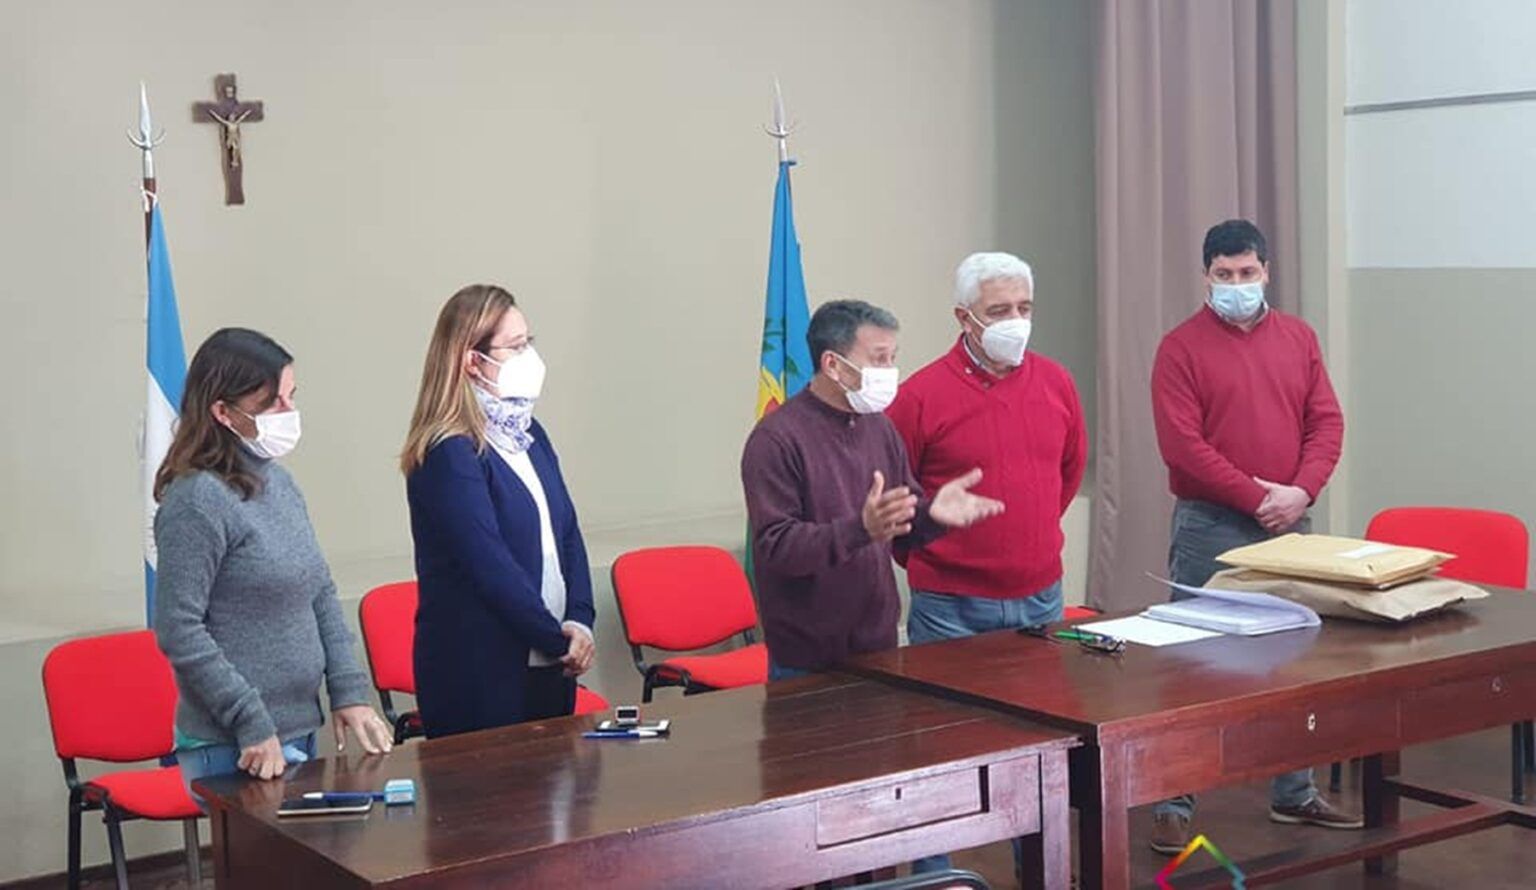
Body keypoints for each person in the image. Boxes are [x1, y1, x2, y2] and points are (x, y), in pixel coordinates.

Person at [1148, 219, 1356, 854]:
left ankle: (1295, 793)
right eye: (1224, 274)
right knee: (1191, 665)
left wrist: (1301, 492)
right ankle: (1173, 801)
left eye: (1246, 272)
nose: (1236, 283)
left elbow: (1326, 423)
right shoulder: (1180, 348)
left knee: (1294, 663)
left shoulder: (1298, 338)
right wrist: (1257, 496)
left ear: (1267, 272)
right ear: (1206, 276)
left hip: (1291, 520)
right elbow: (1182, 446)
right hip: (1210, 523)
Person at [154, 328, 392, 798]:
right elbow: (179, 628)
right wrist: (250, 719)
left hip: (298, 727)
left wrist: (348, 691)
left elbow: (320, 590)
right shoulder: (197, 500)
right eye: (272, 403)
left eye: (291, 397)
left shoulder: (279, 484)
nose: (288, 412)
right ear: (223, 412)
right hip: (233, 742)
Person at [741, 298, 1005, 680]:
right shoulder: (776, 439)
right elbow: (778, 548)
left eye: (893, 358)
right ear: (833, 364)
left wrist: (932, 514)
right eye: (879, 359)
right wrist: (860, 529)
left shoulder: (879, 427)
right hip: (806, 657)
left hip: (878, 644)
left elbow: (898, 523)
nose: (890, 372)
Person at [401, 284, 595, 739]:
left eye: (529, 342)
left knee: (558, 781)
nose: (530, 356)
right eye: (515, 346)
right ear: (473, 360)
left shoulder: (531, 434)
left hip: (550, 662)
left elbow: (565, 532)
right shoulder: (450, 451)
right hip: (480, 672)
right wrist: (555, 639)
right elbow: (488, 564)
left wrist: (580, 620)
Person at [888, 251, 1088, 640]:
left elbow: (1069, 471)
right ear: (965, 318)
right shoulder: (919, 396)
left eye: (1024, 308)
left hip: (1042, 596)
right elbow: (894, 497)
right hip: (949, 607)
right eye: (998, 311)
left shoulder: (1056, 381)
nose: (1016, 321)